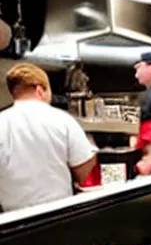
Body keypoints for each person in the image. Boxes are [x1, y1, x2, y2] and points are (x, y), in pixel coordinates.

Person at [0, 63, 96, 212]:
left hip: (12, 220)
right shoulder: (62, 120)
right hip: (58, 215)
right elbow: (84, 170)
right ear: (40, 90)